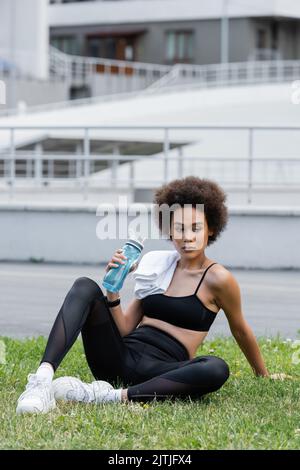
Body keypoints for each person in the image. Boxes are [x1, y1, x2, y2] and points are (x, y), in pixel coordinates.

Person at [17, 176, 276, 415]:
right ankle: (41, 381)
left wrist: (263, 374)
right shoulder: (156, 264)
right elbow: (126, 328)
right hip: (118, 359)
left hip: (161, 372)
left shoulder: (218, 278)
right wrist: (113, 288)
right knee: (84, 286)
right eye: (179, 229)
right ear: (169, 231)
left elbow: (240, 330)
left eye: (195, 228)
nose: (187, 237)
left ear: (210, 229)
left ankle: (107, 396)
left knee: (216, 367)